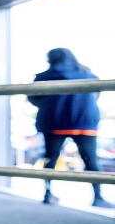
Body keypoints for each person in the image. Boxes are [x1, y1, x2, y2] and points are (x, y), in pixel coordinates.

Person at [29, 48, 113, 208]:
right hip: (84, 122)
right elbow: (96, 94)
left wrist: (52, 105)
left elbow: (33, 98)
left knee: (50, 159)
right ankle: (98, 197)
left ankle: (47, 194)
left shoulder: (43, 77)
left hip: (54, 122)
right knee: (90, 161)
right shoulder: (87, 74)